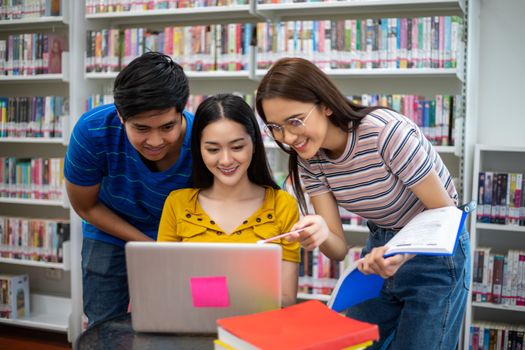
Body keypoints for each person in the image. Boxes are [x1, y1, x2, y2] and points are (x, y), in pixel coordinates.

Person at [255, 57, 470, 350]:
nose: (288, 137)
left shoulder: (385, 132)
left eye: (295, 121)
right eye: (275, 127)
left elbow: (444, 214)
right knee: (354, 343)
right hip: (379, 251)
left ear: (326, 104)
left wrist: (401, 253)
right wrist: (319, 232)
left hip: (435, 252)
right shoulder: (310, 160)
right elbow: (338, 248)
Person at [64, 52, 193, 326]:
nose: (155, 140)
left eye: (168, 126)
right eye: (141, 128)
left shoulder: (205, 137)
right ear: (121, 116)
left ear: (183, 110)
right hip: (110, 228)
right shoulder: (92, 130)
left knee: (178, 322)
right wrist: (148, 245)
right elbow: (85, 206)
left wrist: (169, 248)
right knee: (104, 325)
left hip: (179, 237)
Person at [157, 94, 300, 306]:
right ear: (199, 149)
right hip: (190, 330)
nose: (225, 160)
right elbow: (164, 287)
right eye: (213, 149)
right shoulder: (177, 204)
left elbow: (287, 299)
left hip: (257, 332)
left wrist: (210, 291)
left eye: (237, 147)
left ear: (254, 143)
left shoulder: (283, 205)